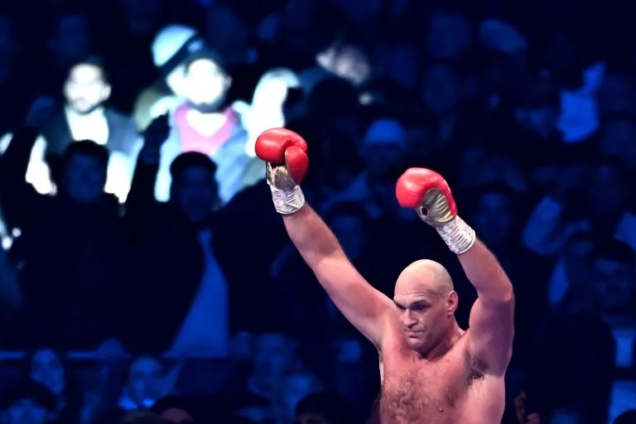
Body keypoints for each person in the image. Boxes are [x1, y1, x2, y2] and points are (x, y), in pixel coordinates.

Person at [254, 128, 515, 423]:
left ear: (450, 304)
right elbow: (325, 259)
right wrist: (286, 194)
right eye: (401, 307)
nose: (407, 319)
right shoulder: (394, 334)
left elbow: (499, 296)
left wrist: (449, 226)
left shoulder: (479, 354)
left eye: (420, 307)